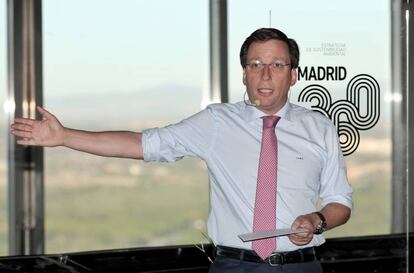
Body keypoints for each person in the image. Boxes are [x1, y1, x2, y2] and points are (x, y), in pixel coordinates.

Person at [11, 28, 353, 273]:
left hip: (301, 266)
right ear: (245, 74)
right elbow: (144, 144)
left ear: (293, 75)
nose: (264, 74)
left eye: (277, 65)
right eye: (254, 65)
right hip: (234, 265)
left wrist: (317, 220)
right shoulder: (218, 122)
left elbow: (341, 203)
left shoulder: (318, 127)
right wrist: (64, 136)